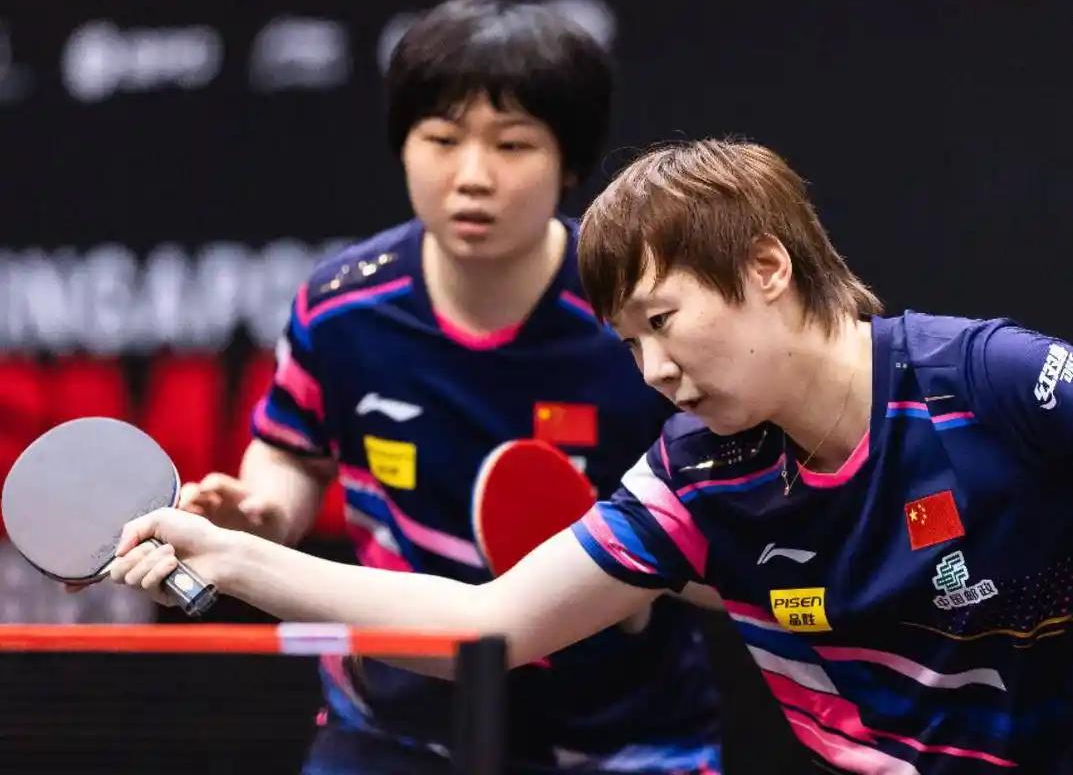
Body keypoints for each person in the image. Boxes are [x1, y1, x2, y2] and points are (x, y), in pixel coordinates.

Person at [112, 135, 1073, 774]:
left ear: (766, 267)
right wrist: (234, 558)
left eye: (663, 320)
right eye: (628, 343)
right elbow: (487, 625)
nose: (653, 370)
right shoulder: (699, 475)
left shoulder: (990, 383)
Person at [163, 0, 724, 775]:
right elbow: (291, 449)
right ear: (403, 147)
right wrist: (264, 511)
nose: (472, 177)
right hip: (389, 727)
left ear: (568, 163)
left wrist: (645, 570)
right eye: (442, 139)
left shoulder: (632, 314)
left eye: (512, 144)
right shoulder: (340, 309)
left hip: (623, 737)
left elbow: (728, 529)